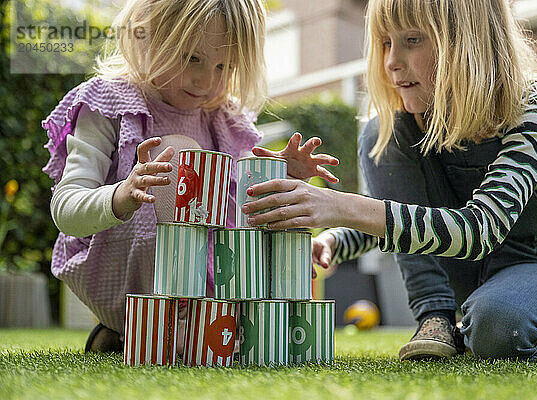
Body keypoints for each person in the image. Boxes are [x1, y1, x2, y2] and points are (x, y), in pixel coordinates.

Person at [243, 0, 537, 361]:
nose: (392, 62)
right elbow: (412, 213)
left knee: (499, 328)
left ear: (468, 41)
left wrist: (339, 205)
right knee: (381, 131)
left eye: (412, 40)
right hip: (458, 265)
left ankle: (536, 319)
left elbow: (481, 228)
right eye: (385, 43)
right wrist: (338, 237)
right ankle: (435, 317)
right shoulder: (414, 124)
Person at [42, 0, 338, 353]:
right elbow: (65, 207)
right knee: (177, 160)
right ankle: (143, 327)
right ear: (147, 36)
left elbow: (247, 207)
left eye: (224, 66)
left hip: (214, 296)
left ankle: (159, 336)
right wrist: (121, 194)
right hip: (124, 276)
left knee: (247, 239)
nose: (205, 81)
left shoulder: (224, 119)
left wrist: (282, 176)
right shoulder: (110, 104)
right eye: (191, 58)